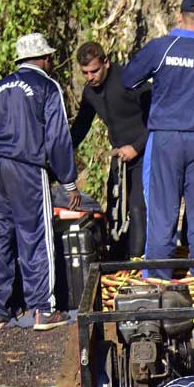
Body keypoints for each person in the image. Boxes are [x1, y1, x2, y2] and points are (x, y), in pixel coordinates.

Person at [121, 0, 194, 279]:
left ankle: (159, 284)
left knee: (162, 214)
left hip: (167, 137)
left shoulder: (162, 47)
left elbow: (128, 79)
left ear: (179, 16)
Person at [0, 33, 81, 332]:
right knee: (35, 235)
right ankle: (43, 310)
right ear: (45, 59)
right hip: (26, 166)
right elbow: (57, 138)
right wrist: (69, 181)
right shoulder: (46, 86)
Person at [70, 41, 151, 257]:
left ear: (106, 62)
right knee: (115, 210)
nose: (90, 77)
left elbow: (157, 115)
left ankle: (137, 263)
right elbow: (81, 126)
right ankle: (117, 262)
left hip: (145, 152)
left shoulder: (129, 79)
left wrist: (136, 147)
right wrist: (61, 151)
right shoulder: (90, 92)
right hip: (120, 157)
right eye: (85, 73)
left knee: (137, 208)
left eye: (94, 71)